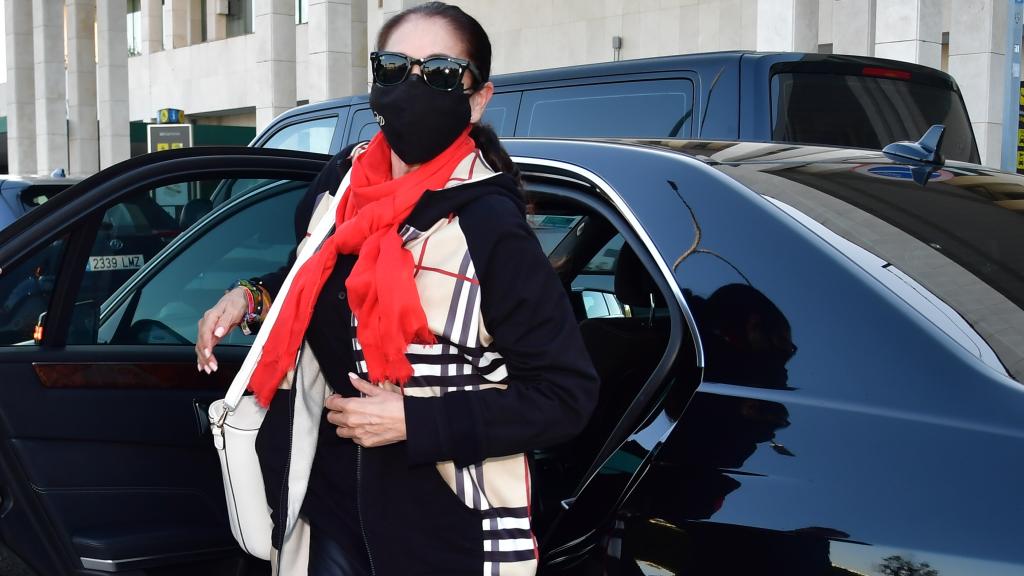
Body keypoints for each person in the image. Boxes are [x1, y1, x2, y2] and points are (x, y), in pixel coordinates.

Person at [195, 3, 599, 574]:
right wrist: (252, 297)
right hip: (327, 504)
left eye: (437, 72)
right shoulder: (341, 185)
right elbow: (310, 276)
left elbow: (565, 396)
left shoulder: (488, 229)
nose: (411, 87)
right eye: (392, 67)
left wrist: (415, 421)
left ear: (478, 98)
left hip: (442, 526)